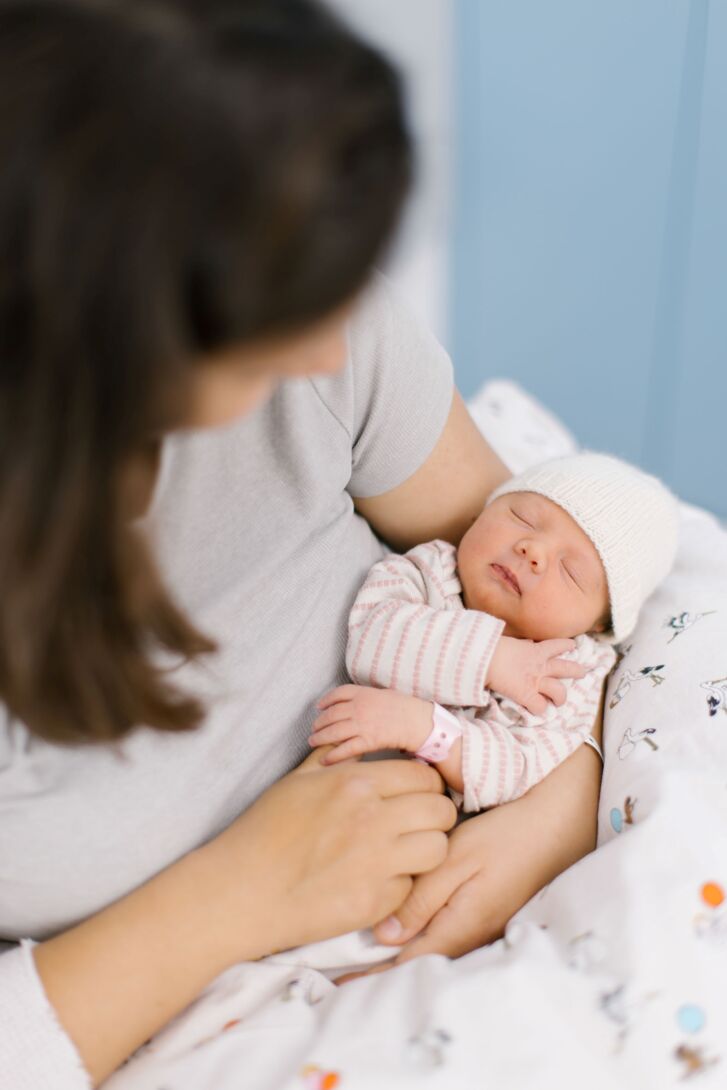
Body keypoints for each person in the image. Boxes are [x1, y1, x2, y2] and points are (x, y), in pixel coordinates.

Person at [0, 2, 605, 1087]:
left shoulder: (333, 347)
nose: (332, 340)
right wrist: (250, 888)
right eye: (281, 311)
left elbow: (557, 581)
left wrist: (557, 795)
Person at [311, 452, 679, 808]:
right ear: (483, 511)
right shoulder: (429, 572)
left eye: (571, 571)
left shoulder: (571, 674)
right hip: (326, 777)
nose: (532, 549)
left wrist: (427, 730)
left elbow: (519, 765)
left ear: (597, 624)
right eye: (522, 518)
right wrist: (491, 658)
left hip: (418, 820)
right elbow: (371, 639)